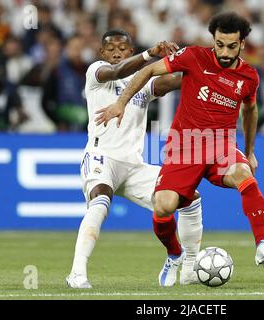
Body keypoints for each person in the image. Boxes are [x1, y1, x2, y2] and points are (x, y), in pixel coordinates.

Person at [96, 12, 264, 287]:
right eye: (219, 44)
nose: (224, 51)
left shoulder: (249, 76)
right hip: (186, 147)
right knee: (163, 207)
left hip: (221, 147)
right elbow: (148, 70)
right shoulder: (193, 56)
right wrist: (121, 103)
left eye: (231, 46)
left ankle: (261, 243)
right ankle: (174, 255)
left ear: (242, 43)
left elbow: (250, 110)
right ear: (213, 40)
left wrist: (250, 151)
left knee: (244, 174)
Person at [66, 29, 204, 289]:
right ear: (102, 53)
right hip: (101, 156)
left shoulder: (142, 84)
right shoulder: (96, 73)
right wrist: (150, 54)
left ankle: (188, 266)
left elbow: (173, 82)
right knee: (100, 200)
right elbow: (117, 72)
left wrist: (204, 70)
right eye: (111, 48)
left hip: (133, 166)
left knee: (190, 197)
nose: (116, 52)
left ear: (129, 51)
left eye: (122, 48)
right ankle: (77, 273)